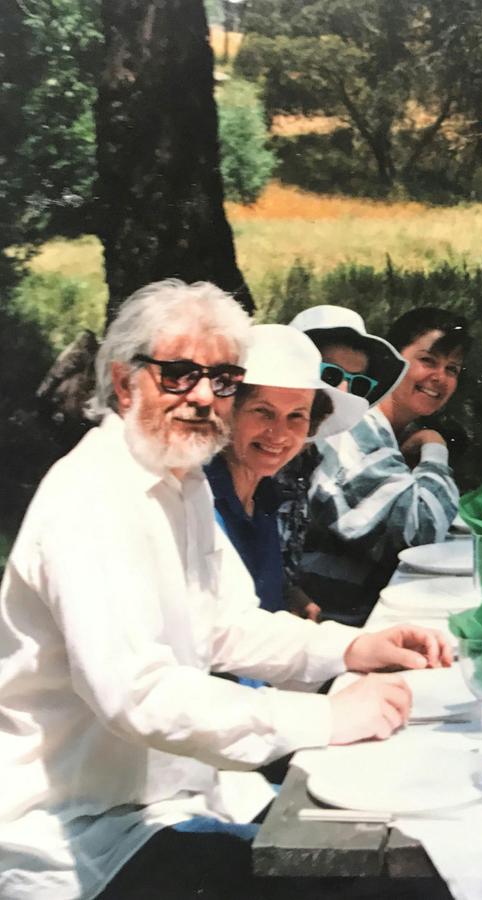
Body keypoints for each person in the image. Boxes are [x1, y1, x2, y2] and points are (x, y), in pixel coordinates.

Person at [0, 280, 453, 900]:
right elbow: (139, 694)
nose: (203, 397)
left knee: (403, 839)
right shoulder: (91, 499)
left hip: (168, 796)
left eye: (222, 379)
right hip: (80, 840)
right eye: (179, 374)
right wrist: (326, 713)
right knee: (377, 880)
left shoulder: (175, 479)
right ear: (126, 381)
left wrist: (351, 650)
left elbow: (225, 624)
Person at [300, 306, 469, 626]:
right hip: (334, 620)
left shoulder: (393, 430)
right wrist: (434, 448)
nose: (440, 377)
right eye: (427, 360)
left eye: (453, 369)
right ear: (396, 362)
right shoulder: (356, 423)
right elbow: (421, 529)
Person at [205, 324, 368, 612]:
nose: (279, 434)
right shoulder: (203, 499)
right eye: (263, 412)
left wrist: (288, 594)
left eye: (296, 416)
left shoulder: (266, 494)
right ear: (229, 411)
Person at [278, 306, 408, 620]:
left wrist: (289, 592)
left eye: (358, 384)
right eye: (331, 375)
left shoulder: (303, 457)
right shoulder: (265, 453)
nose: (344, 392)